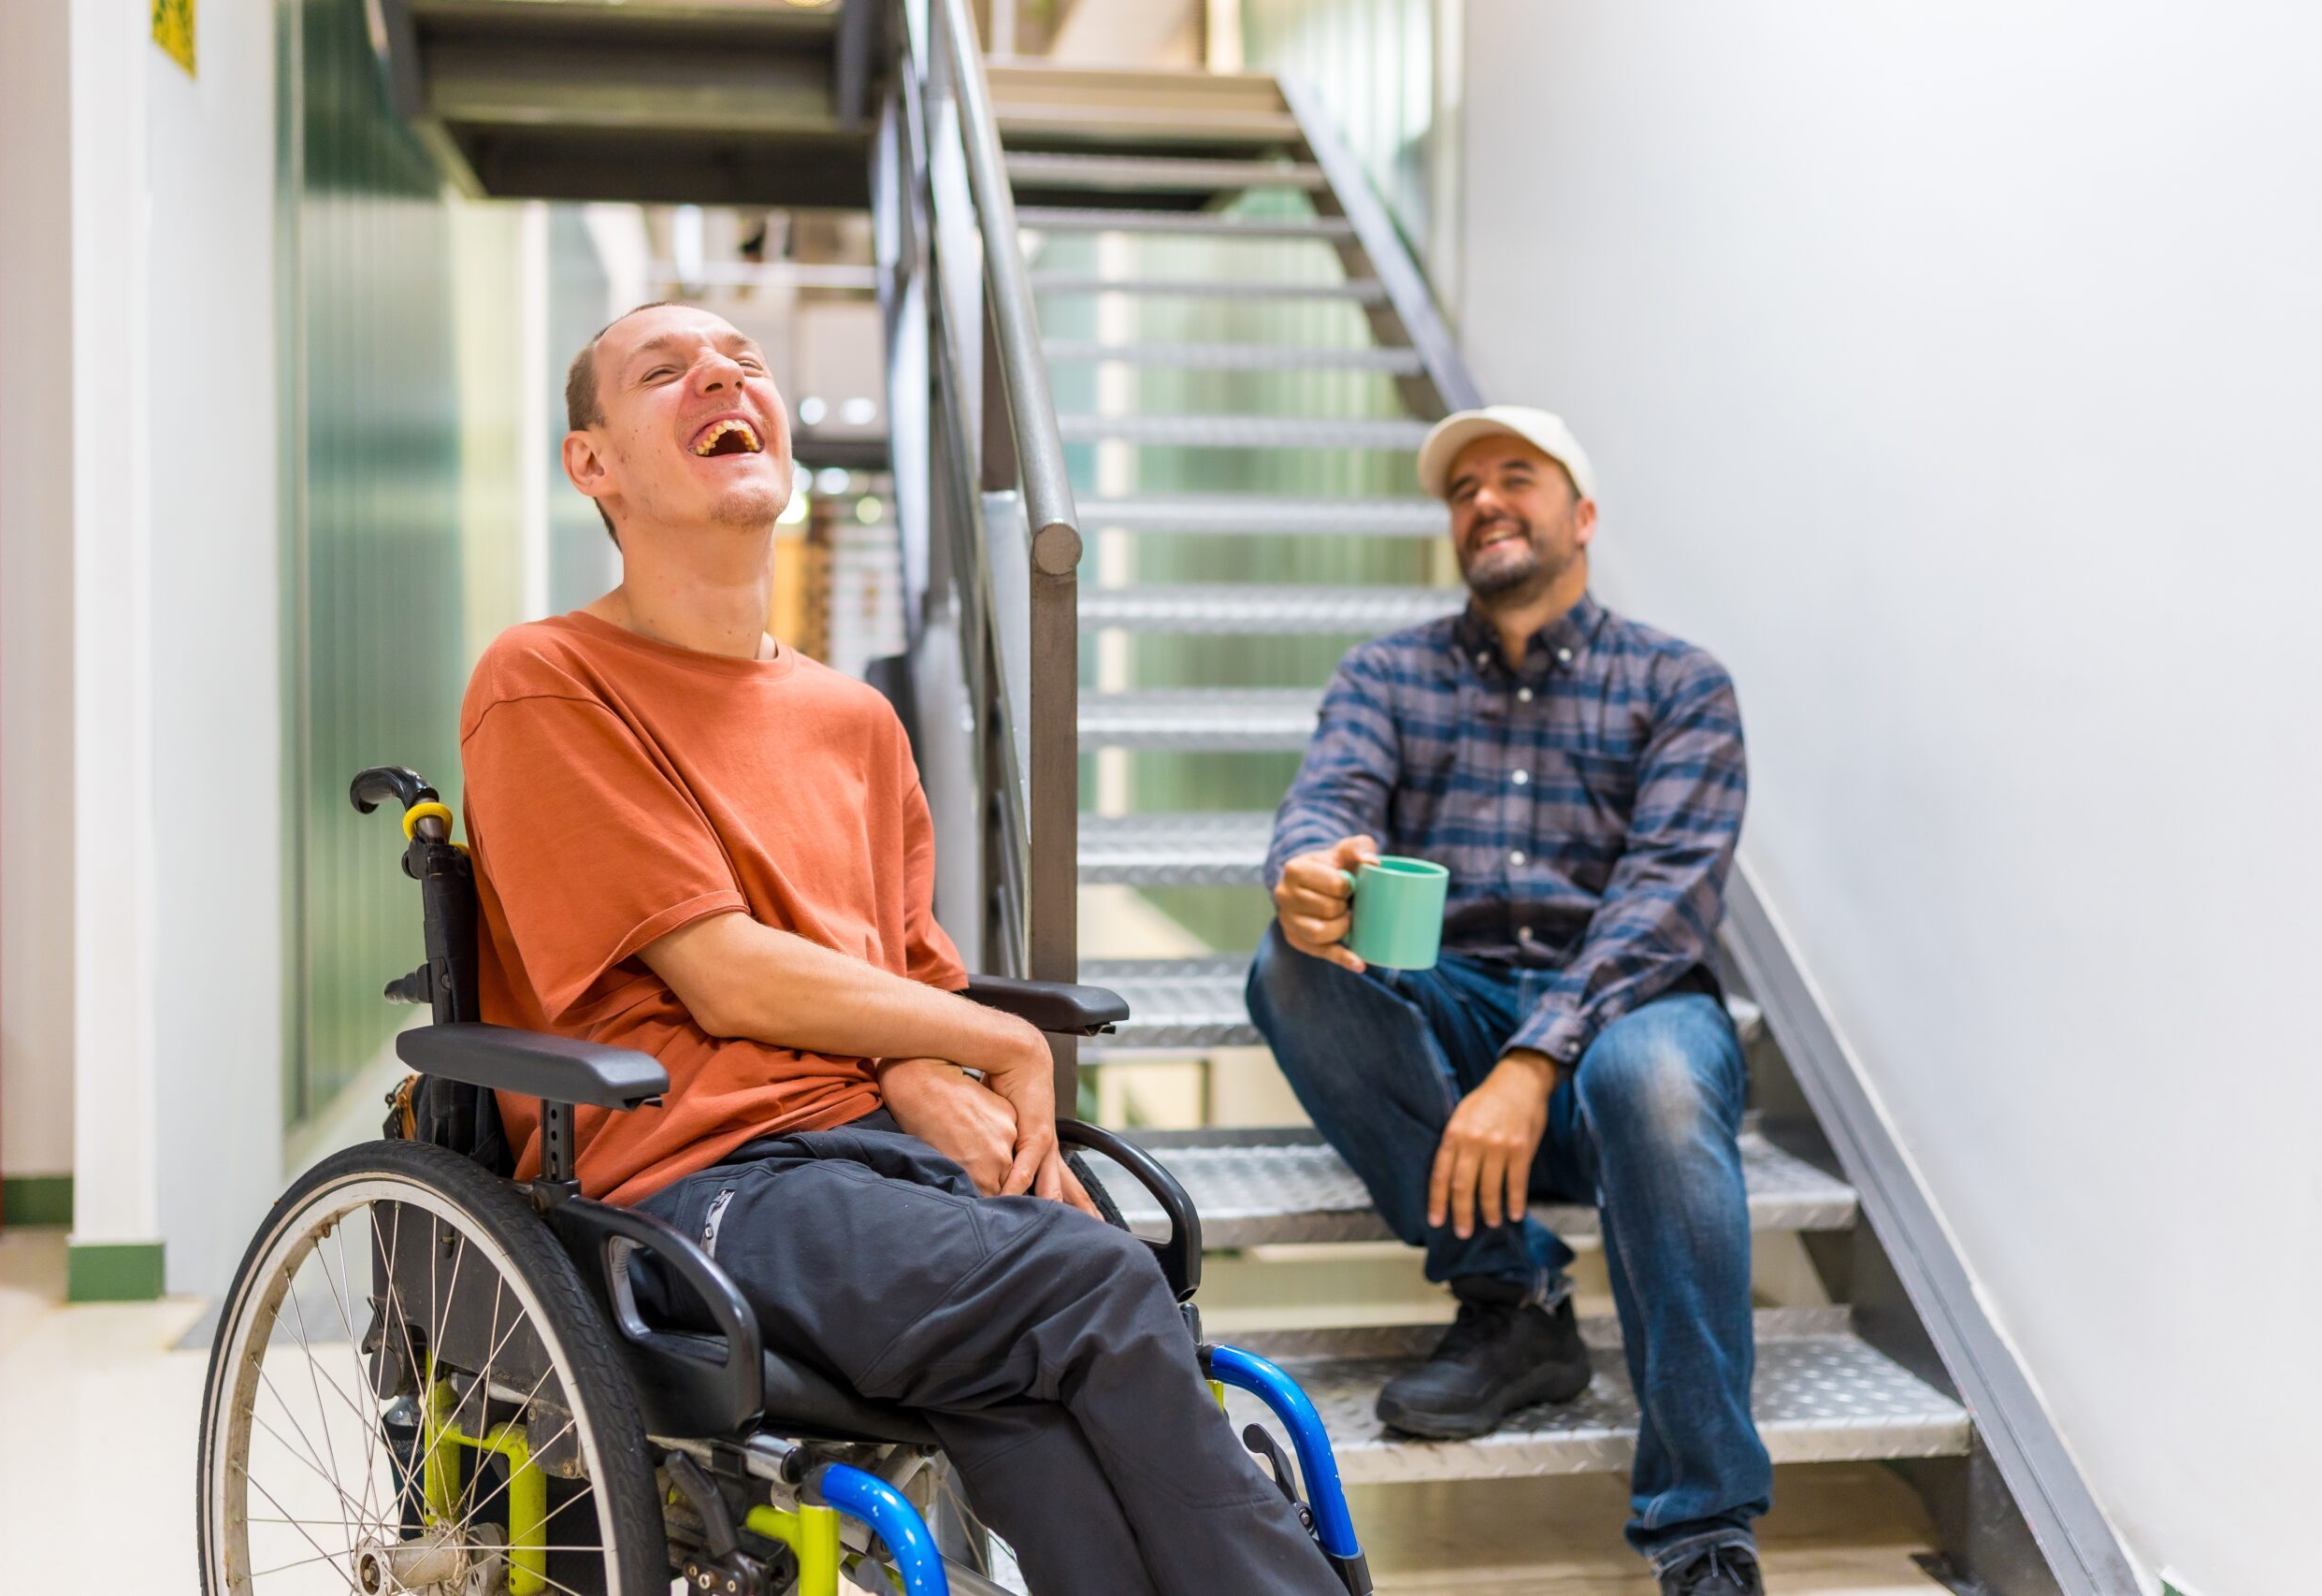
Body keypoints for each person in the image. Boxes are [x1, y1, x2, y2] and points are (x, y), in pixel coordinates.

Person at [457, 301, 1341, 1596]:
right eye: (666, 371)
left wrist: (920, 1066)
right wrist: (973, 1042)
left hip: (871, 1165)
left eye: (743, 359)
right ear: (594, 463)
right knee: (1087, 1280)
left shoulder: (851, 718)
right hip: (692, 1180)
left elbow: (903, 970)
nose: (723, 371)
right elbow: (721, 967)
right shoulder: (547, 678)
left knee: (1037, 1404)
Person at [1245, 407, 1771, 1596]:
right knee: (1286, 971)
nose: (1484, 500)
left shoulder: (1681, 684)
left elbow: (1664, 902)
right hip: (1460, 1000)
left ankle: (1703, 1533)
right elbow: (1330, 798)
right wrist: (1308, 874)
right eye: (1462, 488)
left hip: (1631, 1008)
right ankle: (1513, 1293)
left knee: (1658, 1077)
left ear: (1579, 518)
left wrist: (1534, 1063)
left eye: (1515, 478)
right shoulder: (1388, 674)